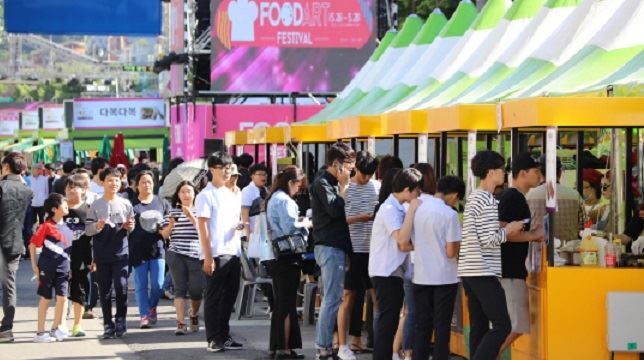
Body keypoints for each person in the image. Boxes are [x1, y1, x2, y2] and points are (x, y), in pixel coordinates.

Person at [457, 150, 528, 360]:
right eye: (501, 169)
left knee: (478, 326)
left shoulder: (475, 198)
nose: (505, 173)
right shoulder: (488, 200)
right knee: (502, 324)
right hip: (483, 270)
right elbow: (489, 239)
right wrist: (510, 230)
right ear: (490, 172)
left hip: (469, 270)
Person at [369, 168, 423, 360]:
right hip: (386, 273)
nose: (419, 195)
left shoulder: (398, 207)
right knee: (387, 323)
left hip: (392, 272)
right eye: (417, 190)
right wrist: (413, 210)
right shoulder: (390, 209)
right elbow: (401, 239)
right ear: (408, 189)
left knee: (389, 322)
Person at [310, 143, 356, 359]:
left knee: (333, 297)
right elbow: (336, 210)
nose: (350, 171)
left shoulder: (327, 182)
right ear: (336, 164)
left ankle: (324, 346)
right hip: (329, 246)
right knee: (332, 298)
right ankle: (323, 347)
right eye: (348, 166)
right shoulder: (323, 183)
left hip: (335, 246)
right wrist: (344, 187)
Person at [412, 175, 465, 360]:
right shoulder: (449, 215)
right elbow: (451, 252)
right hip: (444, 277)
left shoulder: (418, 209)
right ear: (454, 195)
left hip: (420, 275)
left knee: (422, 325)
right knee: (442, 326)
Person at [196, 151, 244, 353]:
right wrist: (208, 257)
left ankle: (224, 335)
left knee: (230, 296)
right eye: (223, 168)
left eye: (229, 168)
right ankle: (213, 338)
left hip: (233, 250)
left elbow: (231, 221)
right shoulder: (205, 195)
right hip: (215, 252)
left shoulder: (231, 193)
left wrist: (239, 226)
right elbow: (203, 227)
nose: (227, 172)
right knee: (214, 296)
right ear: (212, 170)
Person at [497, 153, 545, 355]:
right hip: (509, 270)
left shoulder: (510, 196)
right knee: (516, 324)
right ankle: (489, 354)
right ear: (523, 173)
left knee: (511, 323)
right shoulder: (514, 198)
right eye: (536, 171)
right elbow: (503, 232)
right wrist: (534, 235)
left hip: (508, 269)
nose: (539, 176)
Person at [336, 151, 380, 360]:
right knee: (349, 296)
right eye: (364, 174)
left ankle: (364, 340)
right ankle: (341, 342)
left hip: (373, 249)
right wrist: (362, 218)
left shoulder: (377, 187)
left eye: (370, 175)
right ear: (356, 170)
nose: (367, 179)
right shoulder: (345, 189)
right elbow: (339, 219)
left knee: (375, 296)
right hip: (353, 249)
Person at [266, 166, 312, 359]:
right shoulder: (284, 200)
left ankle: (280, 346)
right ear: (291, 183)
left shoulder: (273, 197)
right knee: (286, 303)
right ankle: (284, 349)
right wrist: (307, 223)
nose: (298, 190)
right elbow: (290, 227)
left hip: (277, 255)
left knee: (281, 303)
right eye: (298, 186)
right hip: (288, 255)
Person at [85, 168, 135, 339]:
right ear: (102, 182)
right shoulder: (96, 205)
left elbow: (131, 226)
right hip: (102, 254)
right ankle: (108, 324)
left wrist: (129, 226)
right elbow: (88, 230)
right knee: (104, 291)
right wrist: (97, 226)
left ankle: (121, 319)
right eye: (110, 180)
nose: (114, 183)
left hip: (121, 252)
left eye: (117, 180)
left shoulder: (126, 204)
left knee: (121, 288)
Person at [160, 181, 203, 335]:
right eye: (182, 192)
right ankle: (180, 323)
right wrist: (171, 225)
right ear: (178, 195)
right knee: (180, 289)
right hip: (176, 253)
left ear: (194, 194)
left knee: (197, 290)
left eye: (189, 191)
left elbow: (203, 231)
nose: (186, 194)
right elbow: (164, 235)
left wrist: (190, 215)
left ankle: (193, 314)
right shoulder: (172, 212)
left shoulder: (200, 211)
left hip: (195, 254)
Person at [28, 193, 73, 342]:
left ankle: (56, 328)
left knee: (62, 297)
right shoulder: (45, 226)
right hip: (46, 268)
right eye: (63, 202)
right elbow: (33, 244)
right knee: (46, 299)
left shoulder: (67, 227)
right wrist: (34, 265)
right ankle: (40, 333)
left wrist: (70, 267)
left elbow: (68, 250)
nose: (66, 204)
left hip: (64, 269)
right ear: (54, 209)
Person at [129, 170, 170, 329]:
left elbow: (168, 226)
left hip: (157, 249)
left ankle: (152, 306)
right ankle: (144, 315)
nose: (146, 185)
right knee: (140, 285)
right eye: (143, 182)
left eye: (149, 182)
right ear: (136, 185)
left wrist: (168, 228)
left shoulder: (162, 203)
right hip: (137, 249)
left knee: (158, 285)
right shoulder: (132, 205)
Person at [0, 152, 33, 342]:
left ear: (5, 167)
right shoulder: (27, 190)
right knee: (9, 286)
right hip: (15, 242)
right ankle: (7, 328)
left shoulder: (2, 186)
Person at [63, 175, 95, 338]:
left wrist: (93, 259)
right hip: (61, 258)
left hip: (81, 258)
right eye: (68, 186)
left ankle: (77, 324)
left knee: (79, 290)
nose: (70, 189)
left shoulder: (89, 210)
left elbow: (94, 237)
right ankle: (60, 324)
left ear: (83, 190)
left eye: (74, 186)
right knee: (61, 291)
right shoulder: (59, 208)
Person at [527, 156, 585, 243]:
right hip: (567, 252)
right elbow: (583, 227)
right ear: (560, 172)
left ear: (539, 173)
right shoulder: (574, 195)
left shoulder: (529, 195)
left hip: (538, 251)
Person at [241, 163, 268, 242]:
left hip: (264, 230)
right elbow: (244, 213)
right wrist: (248, 234)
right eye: (259, 174)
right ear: (252, 176)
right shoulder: (247, 190)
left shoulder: (266, 190)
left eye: (265, 174)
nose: (263, 177)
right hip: (254, 230)